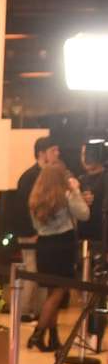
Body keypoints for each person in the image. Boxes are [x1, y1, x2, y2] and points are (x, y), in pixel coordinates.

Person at [26, 162, 90, 352]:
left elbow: (35, 226)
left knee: (51, 292)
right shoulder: (66, 196)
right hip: (63, 245)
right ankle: (38, 334)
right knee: (58, 292)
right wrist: (76, 191)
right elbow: (84, 214)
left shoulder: (35, 199)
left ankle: (53, 337)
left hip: (44, 245)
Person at [14, 136, 59, 323]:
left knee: (42, 272)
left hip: (45, 233)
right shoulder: (29, 177)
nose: (57, 153)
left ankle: (39, 311)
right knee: (31, 271)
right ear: (41, 153)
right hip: (30, 233)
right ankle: (23, 311)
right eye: (53, 150)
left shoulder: (50, 175)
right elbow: (23, 208)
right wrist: (32, 232)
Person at [77, 141, 108, 349]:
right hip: (83, 241)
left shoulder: (105, 178)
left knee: (98, 291)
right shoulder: (81, 180)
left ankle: (96, 333)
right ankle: (85, 332)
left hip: (101, 240)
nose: (83, 158)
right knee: (84, 289)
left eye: (86, 153)